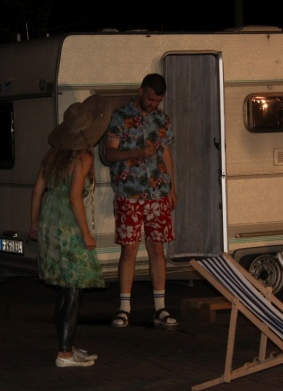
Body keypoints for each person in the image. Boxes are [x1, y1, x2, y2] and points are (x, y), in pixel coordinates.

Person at [29, 94, 112, 367]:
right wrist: (86, 233)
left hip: (49, 224)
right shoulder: (83, 157)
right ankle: (64, 354)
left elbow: (37, 191)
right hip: (68, 227)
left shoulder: (53, 156)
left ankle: (66, 345)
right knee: (74, 291)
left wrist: (34, 224)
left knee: (64, 291)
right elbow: (75, 198)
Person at [104, 73, 178, 329]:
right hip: (130, 194)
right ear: (140, 91)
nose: (153, 104)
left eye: (158, 101)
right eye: (150, 99)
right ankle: (124, 308)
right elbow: (109, 153)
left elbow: (165, 153)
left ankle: (160, 307)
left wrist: (172, 188)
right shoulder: (121, 116)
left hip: (158, 193)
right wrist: (137, 152)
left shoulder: (161, 119)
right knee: (129, 250)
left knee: (157, 250)